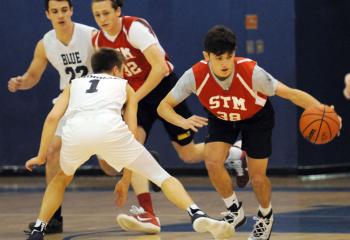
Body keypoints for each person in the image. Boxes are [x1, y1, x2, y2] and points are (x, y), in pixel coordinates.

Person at [25, 48, 234, 240]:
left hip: (76, 133)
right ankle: (195, 213)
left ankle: (39, 229)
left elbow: (53, 118)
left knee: (60, 179)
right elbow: (132, 131)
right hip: (111, 131)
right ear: (117, 69)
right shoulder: (125, 86)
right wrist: (126, 179)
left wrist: (41, 155)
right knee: (161, 176)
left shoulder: (74, 84)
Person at [157, 25, 340, 240]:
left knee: (258, 178)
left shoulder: (252, 73)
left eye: (229, 56)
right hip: (222, 117)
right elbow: (163, 106)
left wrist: (324, 111)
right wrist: (183, 121)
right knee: (212, 160)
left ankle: (265, 215)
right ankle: (234, 211)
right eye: (219, 58)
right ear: (206, 56)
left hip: (256, 118)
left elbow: (291, 94)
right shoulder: (194, 76)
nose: (225, 63)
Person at [90, 0, 248, 234]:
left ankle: (233, 152)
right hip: (137, 98)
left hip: (163, 90)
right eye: (97, 14)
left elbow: (161, 68)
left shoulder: (134, 29)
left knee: (188, 153)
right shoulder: (97, 41)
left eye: (106, 13)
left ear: (118, 11)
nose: (102, 19)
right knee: (130, 150)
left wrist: (135, 97)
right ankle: (148, 214)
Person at [7, 0, 116, 234]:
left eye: (64, 10)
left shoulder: (91, 36)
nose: (60, 15)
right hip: (70, 100)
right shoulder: (45, 44)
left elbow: (111, 68)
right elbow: (33, 75)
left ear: (72, 11)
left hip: (97, 99)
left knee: (108, 166)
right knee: (52, 151)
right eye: (55, 11)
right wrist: (21, 82)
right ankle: (53, 217)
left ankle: (137, 167)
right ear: (48, 14)